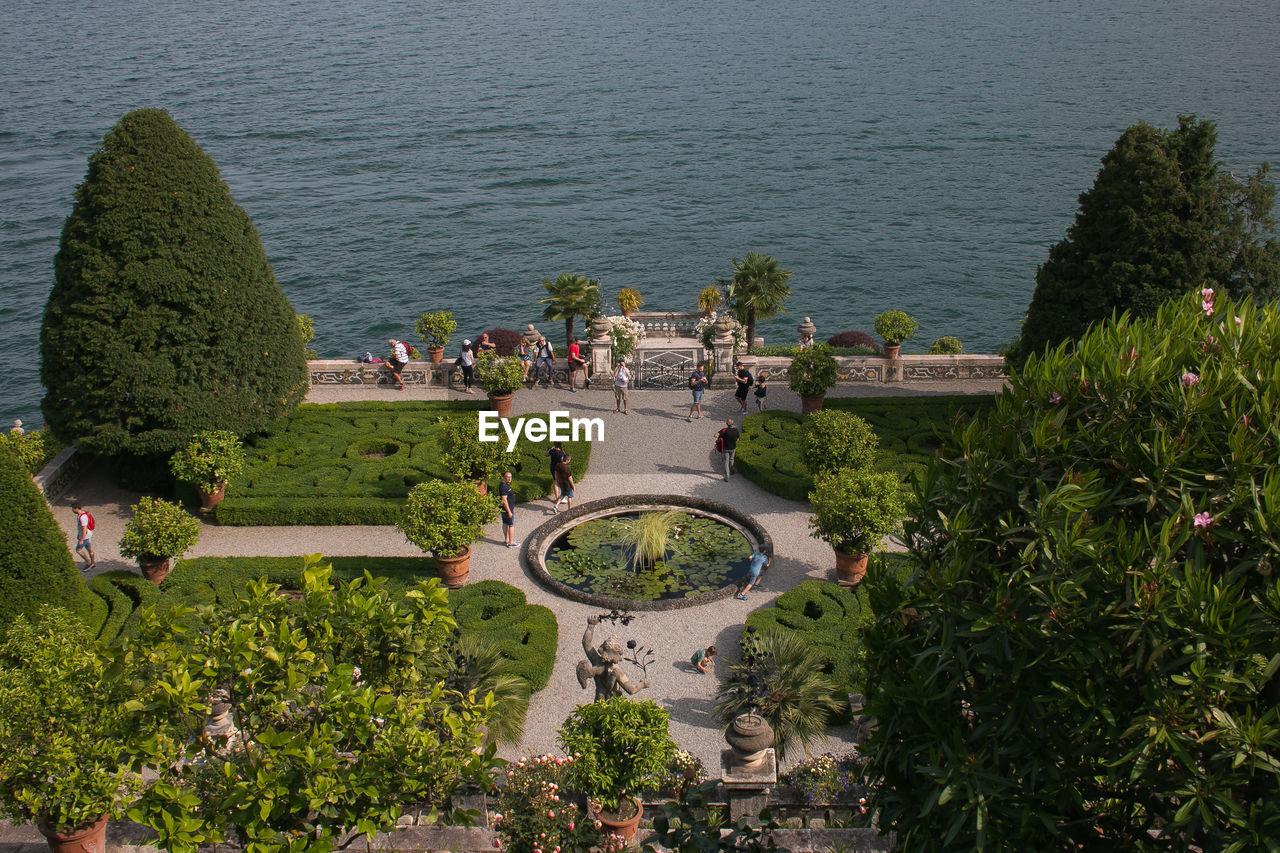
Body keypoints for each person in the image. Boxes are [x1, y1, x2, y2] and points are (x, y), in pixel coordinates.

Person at [576, 615, 650, 701]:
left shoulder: (596, 660)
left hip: (599, 699)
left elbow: (586, 643)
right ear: (618, 654)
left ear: (602, 649)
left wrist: (591, 626)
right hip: (614, 702)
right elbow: (631, 690)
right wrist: (643, 684)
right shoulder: (617, 671)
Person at [72, 501, 95, 570]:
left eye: (73, 509)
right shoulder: (83, 514)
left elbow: (84, 528)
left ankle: (88, 563)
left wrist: (81, 539)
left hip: (85, 536)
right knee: (89, 549)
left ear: (76, 508)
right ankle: (93, 563)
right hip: (87, 535)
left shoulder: (82, 517)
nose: (72, 510)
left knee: (78, 550)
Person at [498, 470, 518, 548]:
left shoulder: (504, 485)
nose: (509, 479)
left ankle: (507, 540)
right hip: (507, 509)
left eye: (510, 477)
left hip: (506, 509)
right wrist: (509, 511)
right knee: (511, 525)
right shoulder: (504, 487)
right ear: (504, 477)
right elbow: (504, 499)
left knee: (505, 523)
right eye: (507, 477)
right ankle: (511, 542)